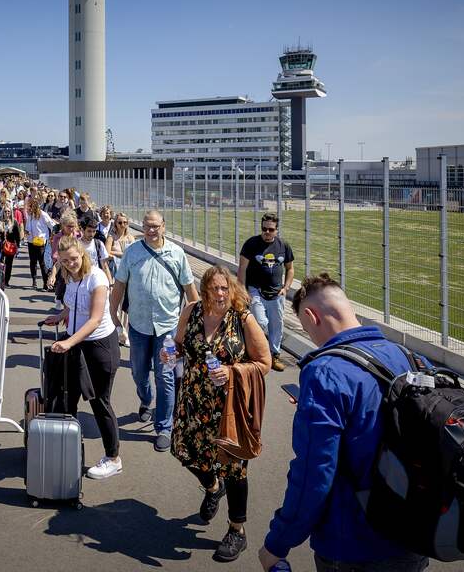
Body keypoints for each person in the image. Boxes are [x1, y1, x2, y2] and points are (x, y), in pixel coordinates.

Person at [259, 274, 428, 572]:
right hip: (414, 534)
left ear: (311, 317)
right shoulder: (410, 358)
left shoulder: (325, 372)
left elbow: (314, 473)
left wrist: (277, 543)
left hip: (354, 544)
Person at [171, 266, 270, 563]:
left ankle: (236, 531)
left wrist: (231, 372)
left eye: (225, 288)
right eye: (215, 288)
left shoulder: (242, 318)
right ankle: (214, 487)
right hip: (193, 401)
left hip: (229, 408)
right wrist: (171, 354)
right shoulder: (192, 311)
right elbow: (179, 344)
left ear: (232, 289)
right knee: (183, 450)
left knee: (235, 469)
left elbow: (264, 362)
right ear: (204, 289)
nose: (220, 293)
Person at [109, 210, 198, 452]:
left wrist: (193, 324)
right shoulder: (133, 252)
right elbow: (119, 285)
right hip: (138, 326)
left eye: (155, 226)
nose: (151, 230)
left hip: (167, 329)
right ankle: (146, 400)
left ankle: (164, 427)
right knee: (138, 372)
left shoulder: (177, 254)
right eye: (147, 226)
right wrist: (112, 312)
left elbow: (191, 295)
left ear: (164, 227)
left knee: (165, 377)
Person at [47, 236, 122, 480]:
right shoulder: (69, 276)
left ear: (83, 254)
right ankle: (68, 450)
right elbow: (72, 303)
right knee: (68, 398)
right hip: (77, 345)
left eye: (74, 259)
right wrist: (61, 315)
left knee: (100, 401)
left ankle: (113, 458)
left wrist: (68, 341)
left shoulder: (97, 278)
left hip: (99, 347)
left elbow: (95, 318)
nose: (71, 264)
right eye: (65, 261)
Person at [237, 212, 295, 371]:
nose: (267, 232)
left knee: (277, 326)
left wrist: (286, 288)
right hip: (255, 291)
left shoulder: (284, 246)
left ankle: (274, 355)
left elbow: (290, 269)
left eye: (271, 230)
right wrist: (242, 290)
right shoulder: (251, 244)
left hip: (277, 293)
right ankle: (255, 352)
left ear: (277, 230)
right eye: (264, 229)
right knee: (260, 321)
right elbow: (242, 268)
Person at [106, 212, 135, 346]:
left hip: (128, 275)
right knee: (115, 304)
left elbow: (134, 254)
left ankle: (125, 333)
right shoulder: (112, 237)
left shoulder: (130, 238)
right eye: (119, 222)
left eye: (125, 222)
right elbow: (106, 252)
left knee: (126, 305)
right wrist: (122, 254)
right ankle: (117, 330)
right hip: (115, 273)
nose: (122, 225)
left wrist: (120, 255)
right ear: (115, 224)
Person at [47, 211, 80, 306]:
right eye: (69, 226)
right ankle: (59, 298)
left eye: (73, 226)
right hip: (63, 267)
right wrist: (52, 275)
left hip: (76, 269)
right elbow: (57, 259)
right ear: (63, 225)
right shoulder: (58, 238)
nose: (71, 228)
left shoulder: (78, 236)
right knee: (64, 289)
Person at [24, 197, 54, 290]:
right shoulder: (30, 215)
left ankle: (45, 283)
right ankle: (34, 281)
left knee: (42, 262)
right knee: (33, 262)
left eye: (32, 206)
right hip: (31, 241)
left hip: (41, 241)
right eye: (30, 206)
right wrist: (27, 232)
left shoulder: (43, 214)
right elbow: (28, 227)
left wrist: (52, 237)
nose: (30, 208)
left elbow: (51, 225)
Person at [0, 204, 23, 287]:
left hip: (10, 246)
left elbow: (17, 235)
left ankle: (6, 281)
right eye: (5, 211)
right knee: (0, 263)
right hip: (0, 245)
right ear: (3, 212)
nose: (7, 213)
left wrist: (18, 246)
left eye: (8, 211)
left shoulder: (14, 222)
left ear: (11, 212)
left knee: (9, 264)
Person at [79, 215, 112, 282]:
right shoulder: (76, 244)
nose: (92, 234)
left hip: (96, 280)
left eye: (94, 231)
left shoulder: (99, 244)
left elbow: (105, 266)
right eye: (89, 231)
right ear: (82, 230)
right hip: (81, 279)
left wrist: (110, 283)